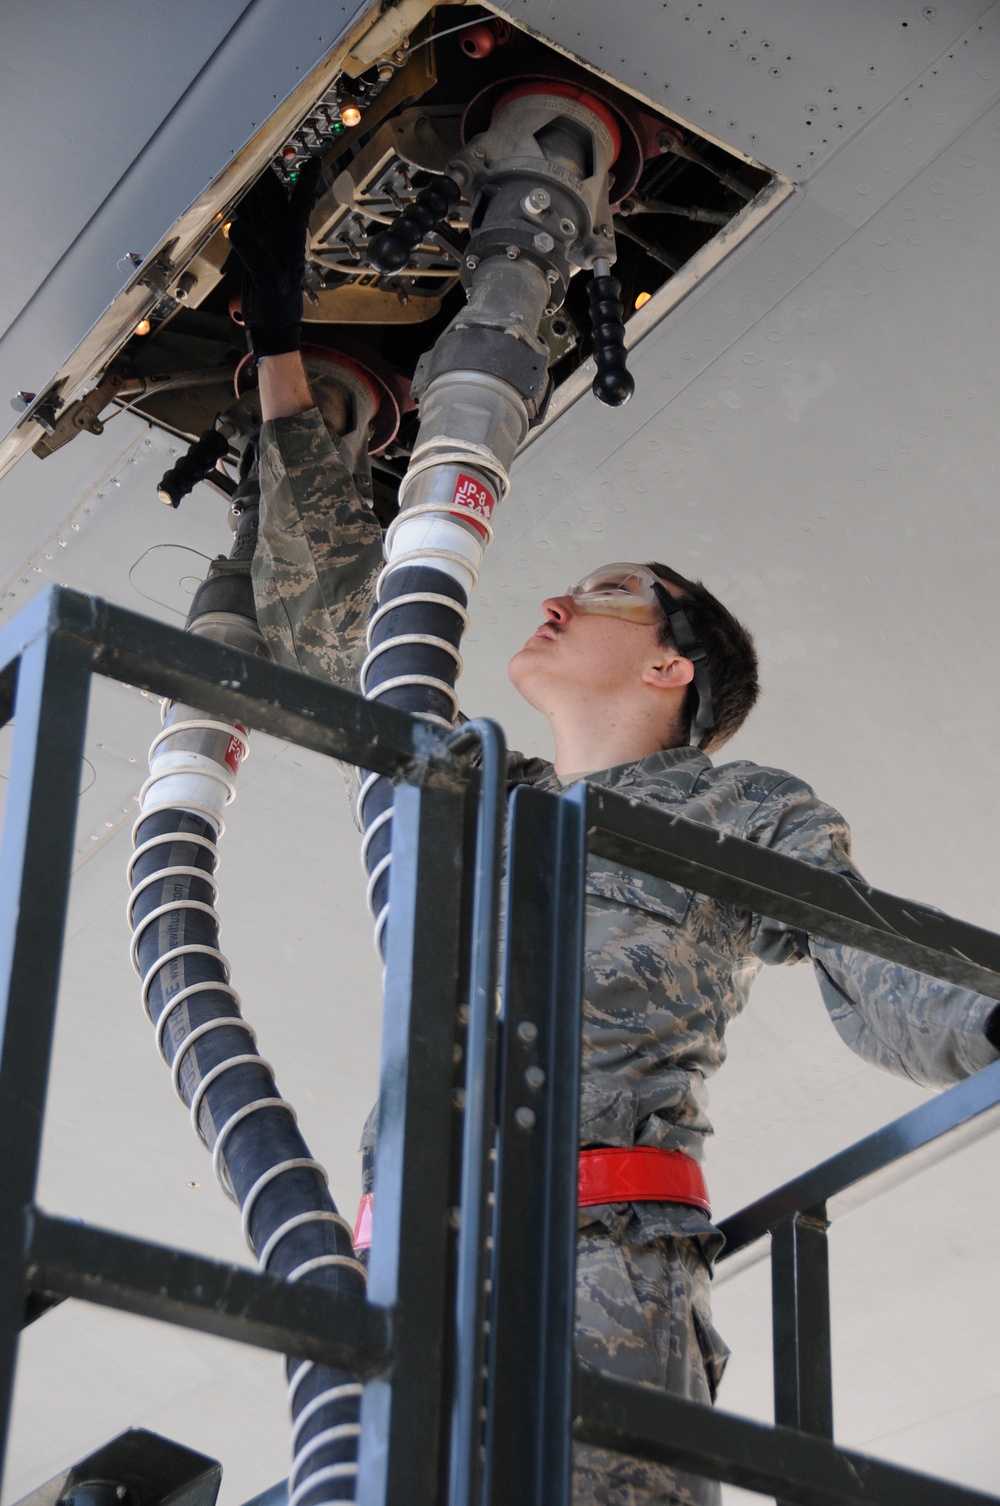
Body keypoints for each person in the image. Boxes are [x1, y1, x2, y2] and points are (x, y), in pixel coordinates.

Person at [230, 176, 1000, 1506]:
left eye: (603, 595)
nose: (551, 600)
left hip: (592, 1277)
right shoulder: (478, 792)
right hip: (402, 1280)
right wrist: (281, 360)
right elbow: (345, 639)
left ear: (668, 670)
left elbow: (864, 949)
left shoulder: (736, 806)